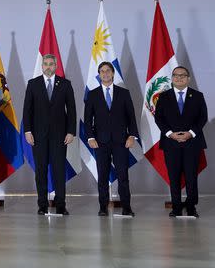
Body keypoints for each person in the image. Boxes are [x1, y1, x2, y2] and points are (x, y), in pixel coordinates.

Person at [22, 54, 77, 215]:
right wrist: (28, 131)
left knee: (59, 170)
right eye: (45, 64)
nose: (48, 67)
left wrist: (71, 131)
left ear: (56, 66)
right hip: (38, 136)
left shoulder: (65, 84)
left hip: (60, 136)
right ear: (42, 66)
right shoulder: (33, 84)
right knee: (40, 170)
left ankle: (61, 204)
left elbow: (72, 110)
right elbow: (27, 110)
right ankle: (42, 204)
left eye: (51, 64)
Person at [84, 61, 139, 217]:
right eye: (102, 71)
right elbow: (87, 120)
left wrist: (132, 136)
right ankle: (103, 207)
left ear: (113, 73)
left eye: (108, 70)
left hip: (121, 141)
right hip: (100, 141)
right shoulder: (93, 94)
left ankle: (126, 207)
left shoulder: (124, 93)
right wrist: (90, 138)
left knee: (123, 175)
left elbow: (131, 117)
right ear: (99, 74)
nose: (105, 73)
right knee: (102, 176)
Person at [153, 65, 208, 218]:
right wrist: (171, 134)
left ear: (188, 78)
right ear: (172, 78)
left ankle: (191, 207)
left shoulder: (197, 96)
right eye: (175, 75)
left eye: (182, 75)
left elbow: (202, 117)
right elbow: (159, 118)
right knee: (174, 176)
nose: (179, 78)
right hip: (171, 143)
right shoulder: (163, 97)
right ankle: (176, 207)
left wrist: (190, 134)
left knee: (191, 176)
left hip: (192, 143)